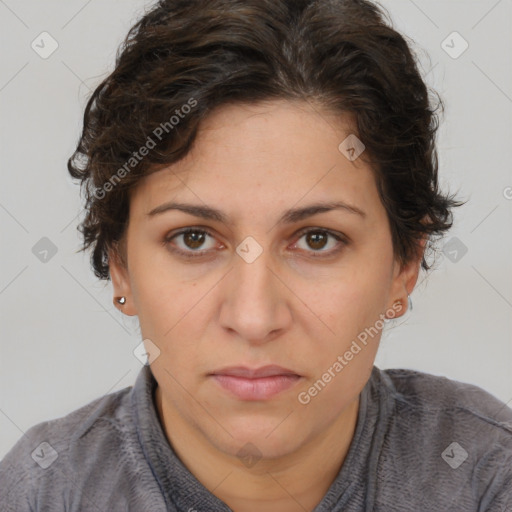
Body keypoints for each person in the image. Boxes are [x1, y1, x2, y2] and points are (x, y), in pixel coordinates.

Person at [1, 0, 511, 510]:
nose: (253, 318)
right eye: (194, 239)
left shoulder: (486, 477)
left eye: (317, 239)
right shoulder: (41, 493)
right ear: (120, 265)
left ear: (403, 266)